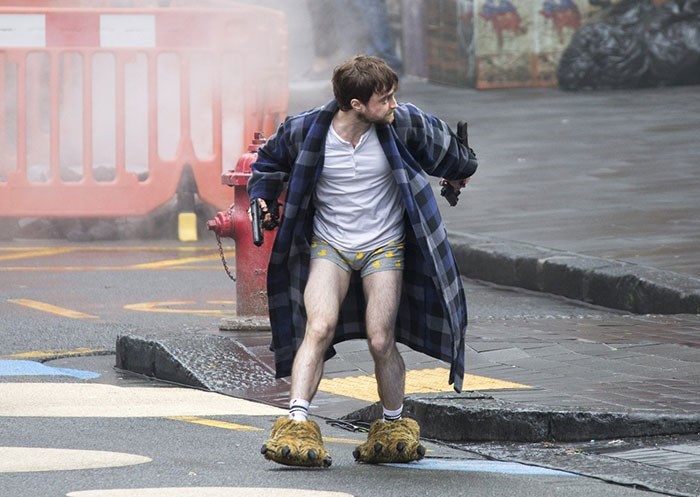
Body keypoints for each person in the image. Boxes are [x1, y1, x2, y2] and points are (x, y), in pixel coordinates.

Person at [249, 55, 477, 468]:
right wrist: (262, 197)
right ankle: (296, 424)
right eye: (384, 99)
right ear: (355, 105)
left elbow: (451, 152)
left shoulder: (403, 123)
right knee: (318, 327)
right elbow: (267, 162)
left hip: (385, 247)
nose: (393, 104)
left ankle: (392, 425)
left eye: (392, 95)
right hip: (329, 246)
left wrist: (459, 172)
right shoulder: (306, 130)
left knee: (380, 338)